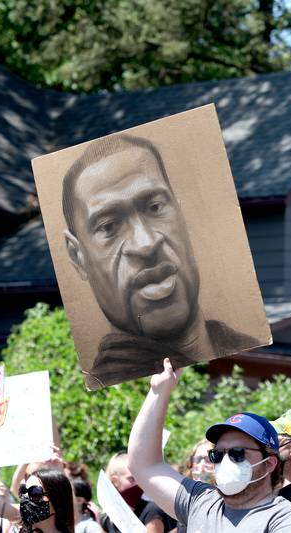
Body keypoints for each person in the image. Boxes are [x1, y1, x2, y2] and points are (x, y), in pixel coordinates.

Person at [61, 134, 258, 389]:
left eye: (155, 208)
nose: (145, 243)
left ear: (181, 215)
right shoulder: (111, 393)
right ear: (78, 256)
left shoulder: (241, 349)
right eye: (109, 226)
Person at [127, 358, 291, 532]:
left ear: (269, 463)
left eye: (237, 452)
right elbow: (144, 465)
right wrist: (159, 391)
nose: (225, 461)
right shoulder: (201, 502)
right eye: (218, 454)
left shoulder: (287, 520)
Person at [101, 452, 176, 533]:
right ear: (115, 480)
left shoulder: (151, 510)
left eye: (139, 477)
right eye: (131, 479)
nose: (138, 483)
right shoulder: (108, 518)